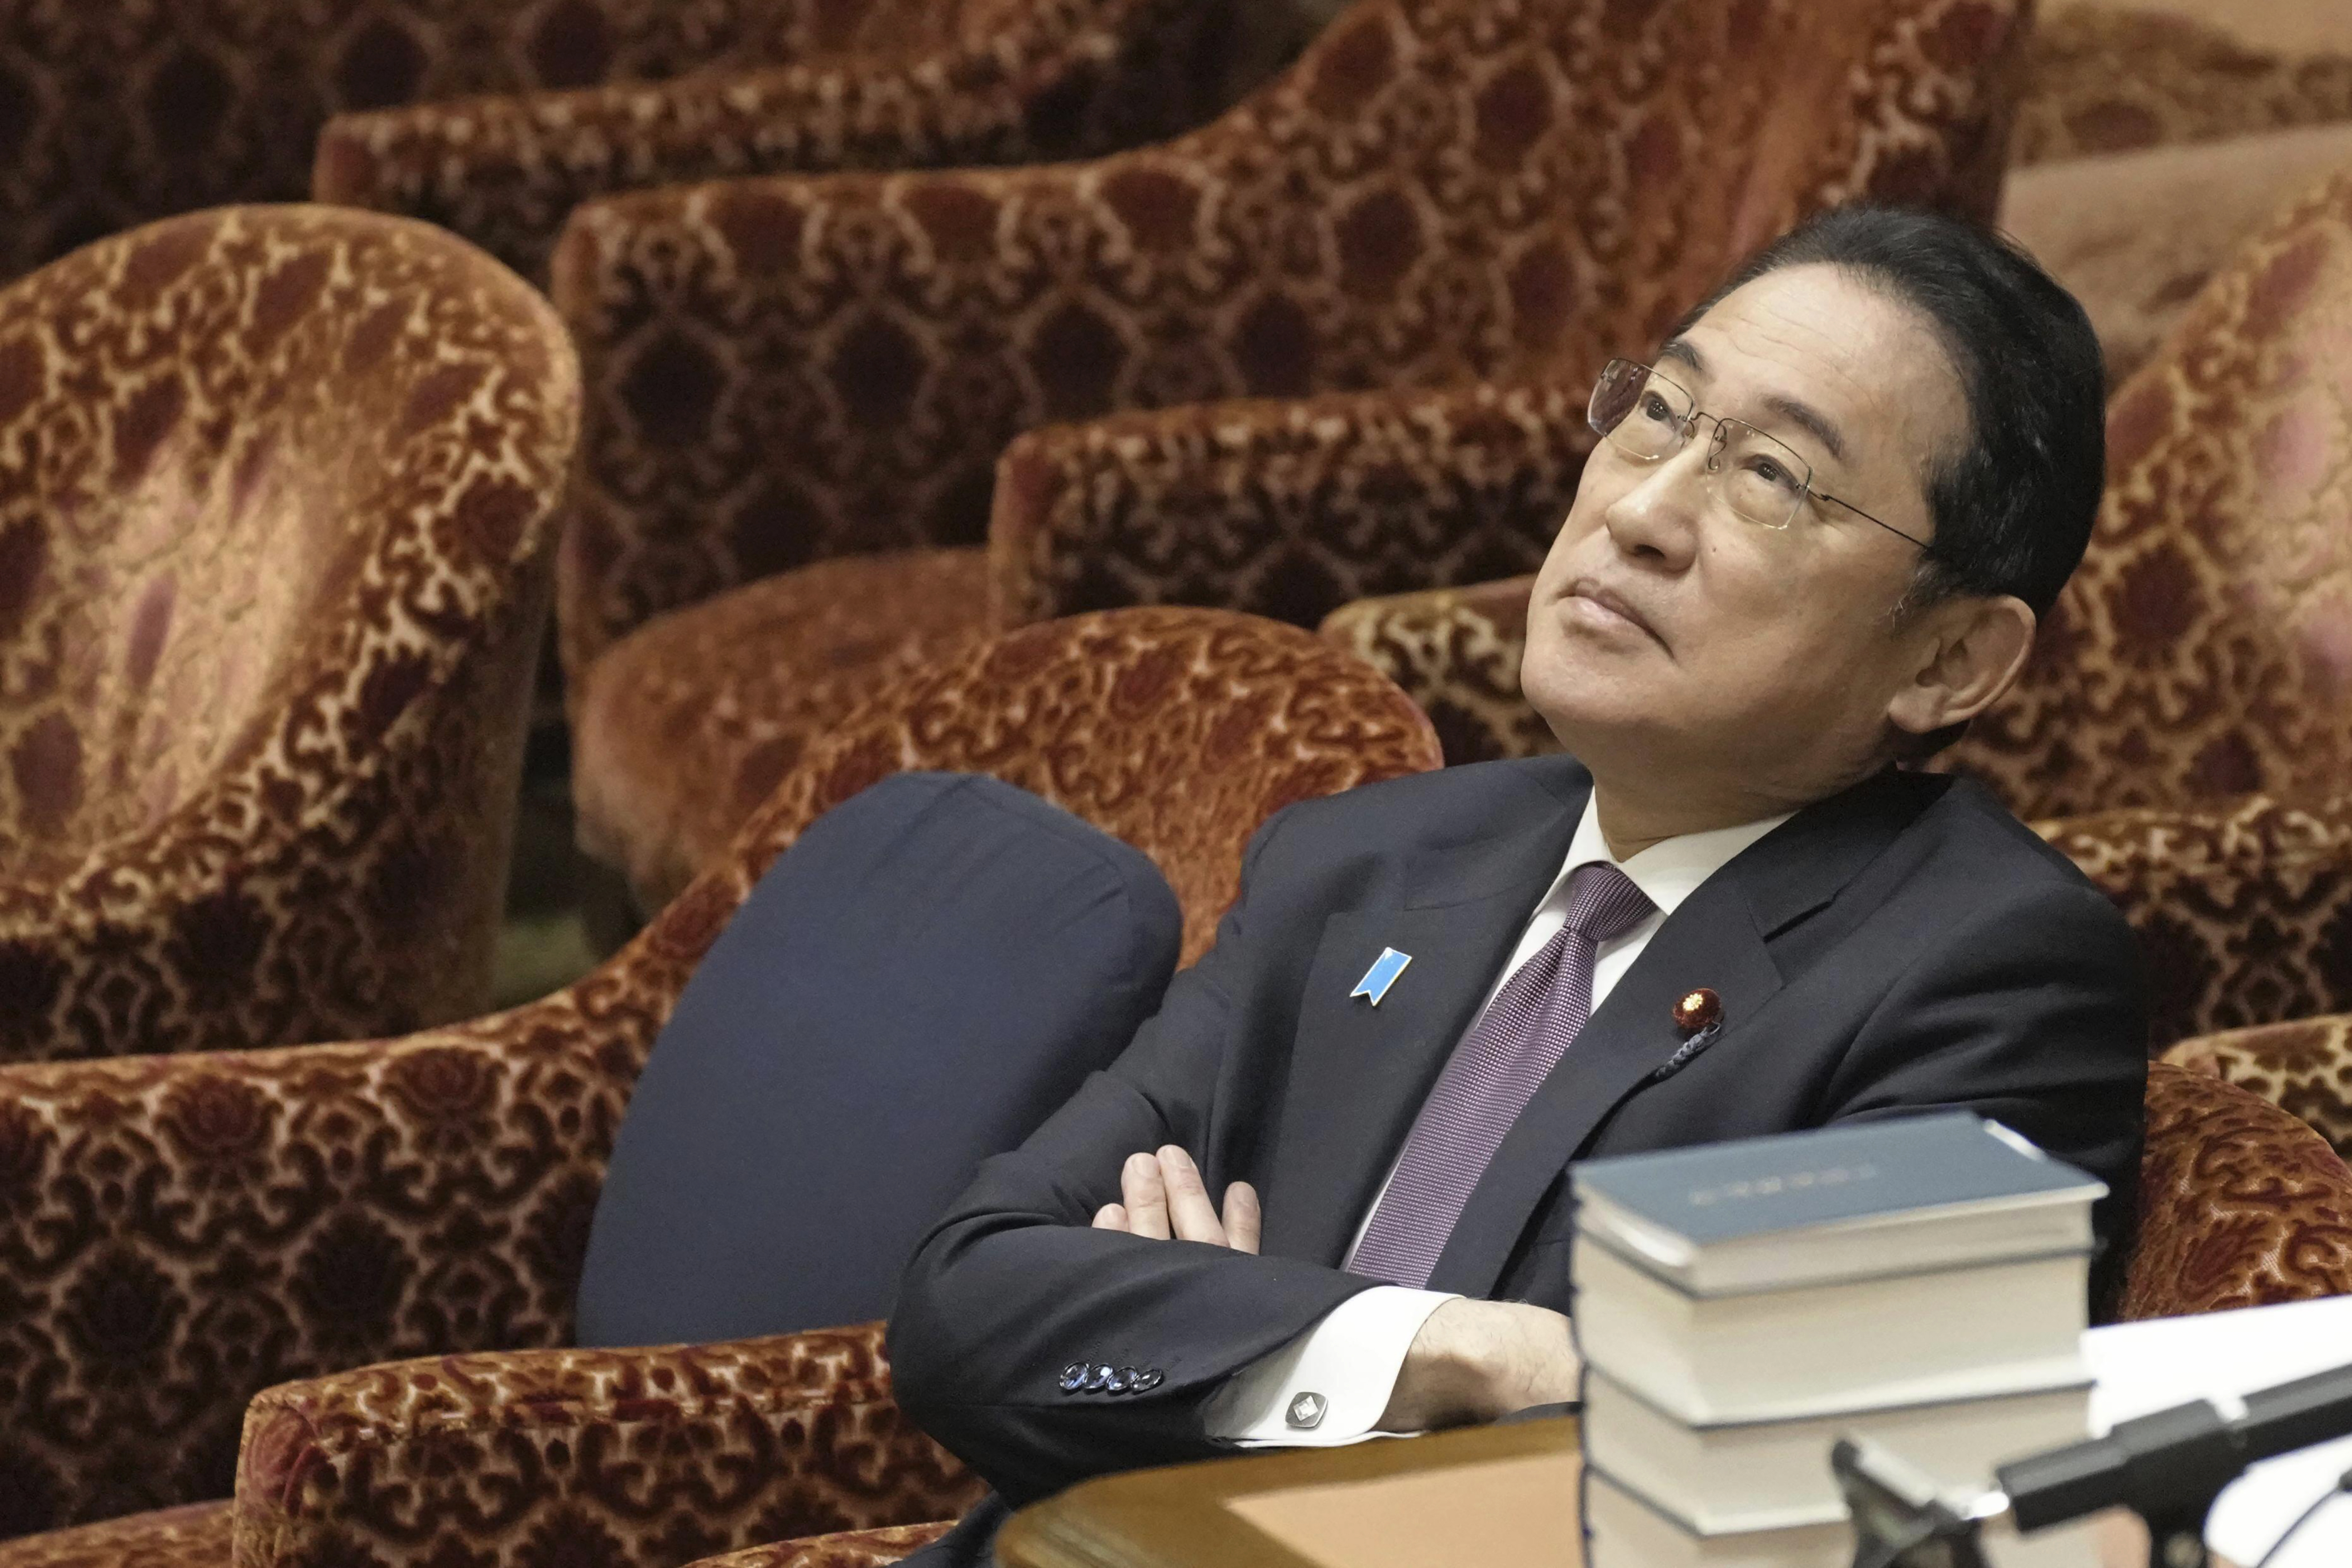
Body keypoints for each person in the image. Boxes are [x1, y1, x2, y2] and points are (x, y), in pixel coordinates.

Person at [885, 205, 2146, 1560]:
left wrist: (1236, 1348)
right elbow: (965, 1305)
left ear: (1947, 662)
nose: (1645, 509)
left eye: (1776, 477)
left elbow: (1739, 1500)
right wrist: (1455, 1354)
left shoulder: (1985, 975)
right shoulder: (1367, 861)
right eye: (1659, 411)